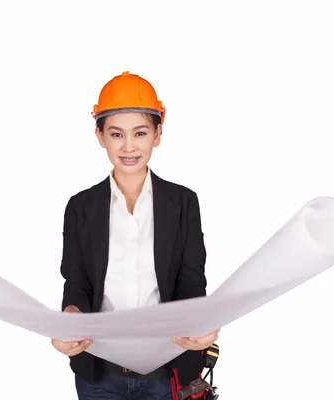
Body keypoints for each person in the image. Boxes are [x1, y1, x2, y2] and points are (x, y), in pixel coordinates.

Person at [51, 71, 220, 399]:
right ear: (100, 136)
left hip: (168, 369)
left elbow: (190, 280)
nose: (128, 146)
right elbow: (78, 282)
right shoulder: (80, 207)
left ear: (157, 134)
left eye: (140, 133)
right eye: (116, 134)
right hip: (98, 371)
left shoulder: (183, 202)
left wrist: (198, 321)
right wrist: (70, 319)